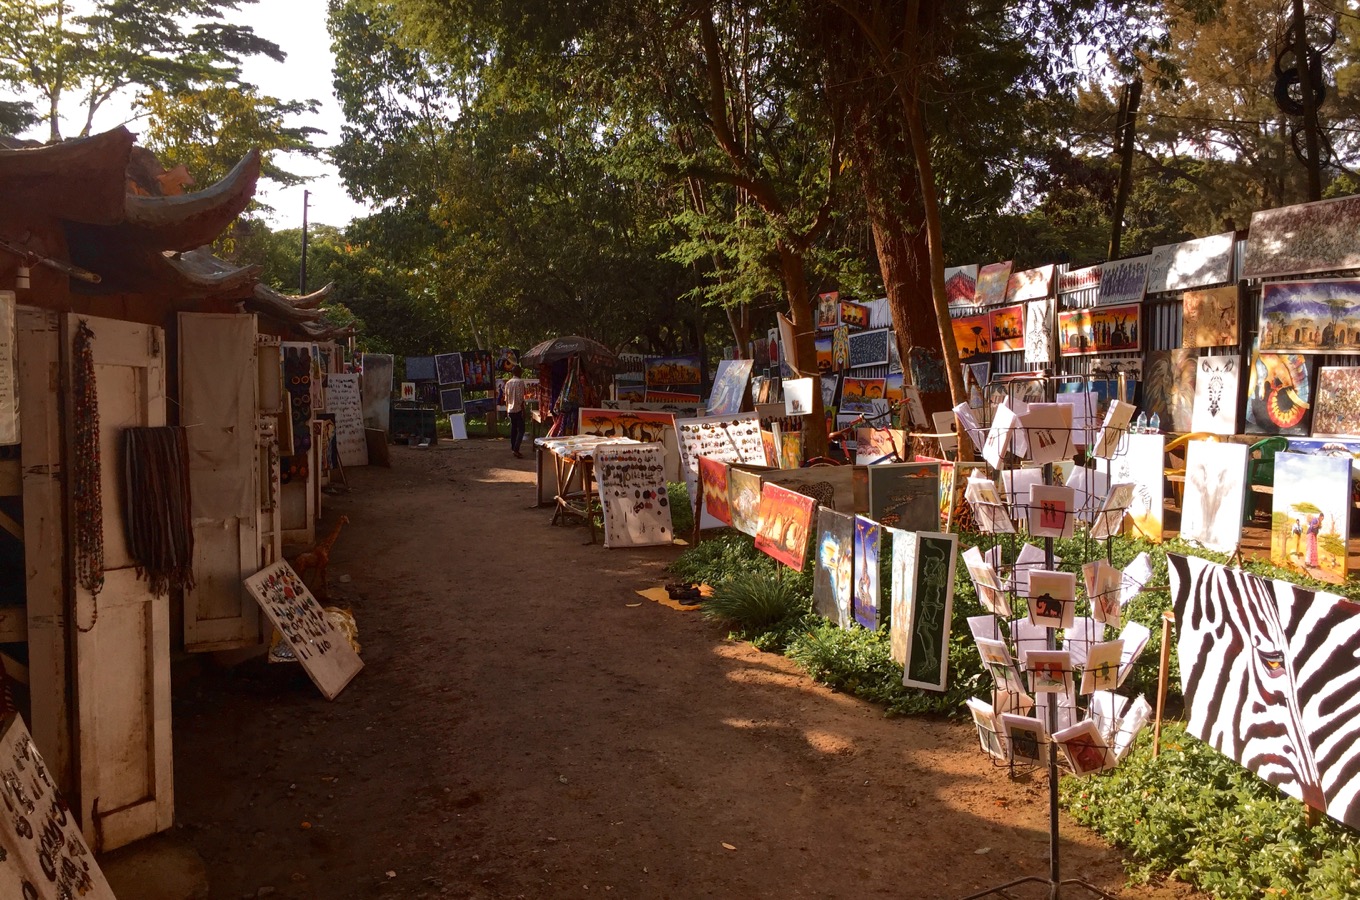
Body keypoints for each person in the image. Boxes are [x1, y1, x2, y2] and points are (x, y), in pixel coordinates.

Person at [503, 365, 527, 458]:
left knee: (513, 428)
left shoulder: (508, 383)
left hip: (510, 409)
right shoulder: (520, 382)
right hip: (518, 409)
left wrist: (507, 410)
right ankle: (516, 449)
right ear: (518, 372)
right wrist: (523, 410)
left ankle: (513, 447)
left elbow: (506, 398)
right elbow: (520, 397)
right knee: (521, 429)